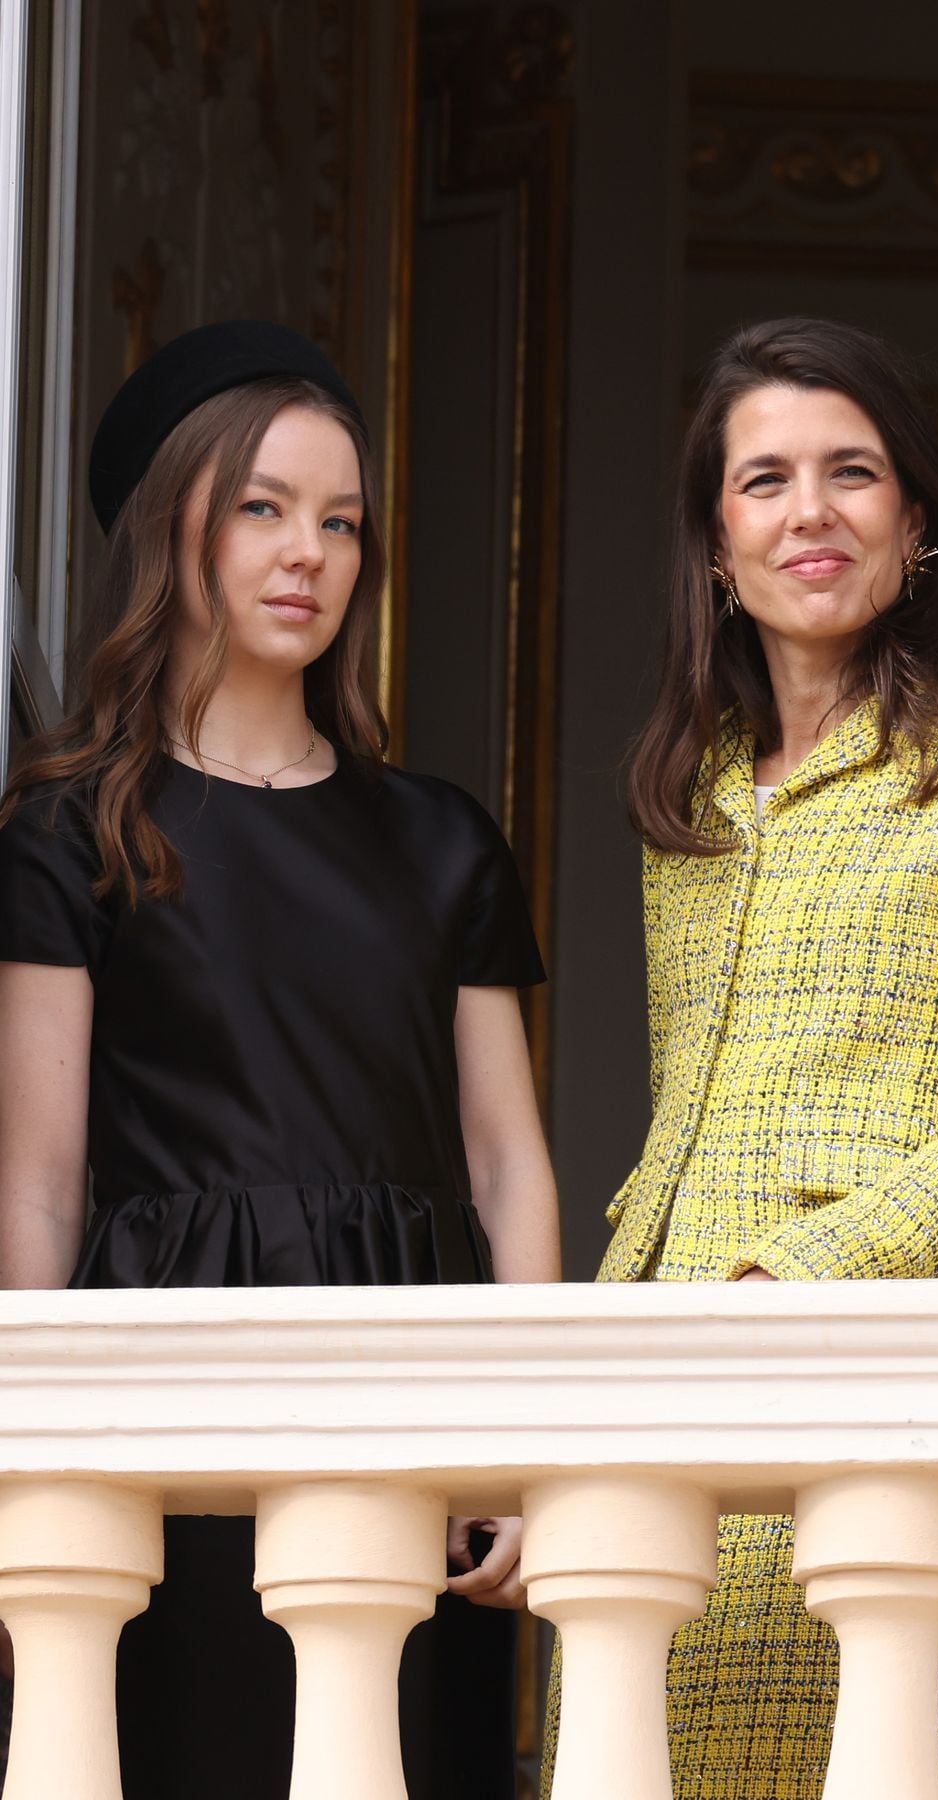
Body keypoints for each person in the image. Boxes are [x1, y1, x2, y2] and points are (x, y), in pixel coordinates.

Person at [0, 319, 561, 1800]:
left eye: (341, 521)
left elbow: (508, 1164)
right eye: (262, 508)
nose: (307, 552)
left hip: (415, 1380)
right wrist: (35, 1463)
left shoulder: (444, 839)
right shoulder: (71, 832)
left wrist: (524, 1445)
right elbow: (41, 1190)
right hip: (165, 1389)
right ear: (171, 526)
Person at [546, 316, 938, 1799]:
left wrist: (800, 1279)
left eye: (853, 472)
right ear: (717, 545)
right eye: (764, 479)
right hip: (656, 1419)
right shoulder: (696, 801)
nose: (811, 511)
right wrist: (578, 1413)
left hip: (862, 1395)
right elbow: (675, 1147)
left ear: (915, 521)